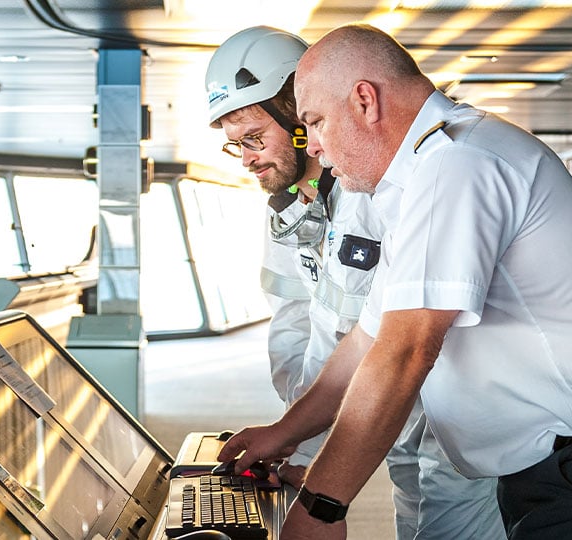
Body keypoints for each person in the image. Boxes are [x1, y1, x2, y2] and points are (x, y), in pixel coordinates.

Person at [219, 23, 572, 540]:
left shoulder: (460, 164)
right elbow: (369, 337)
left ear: (364, 100)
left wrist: (321, 508)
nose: (313, 145)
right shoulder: (422, 176)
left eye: (316, 122)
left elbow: (405, 351)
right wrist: (284, 433)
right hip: (558, 463)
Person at [206, 26, 503, 539]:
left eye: (255, 138)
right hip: (389, 409)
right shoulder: (289, 212)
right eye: (238, 146)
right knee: (415, 514)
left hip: (454, 406)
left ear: (298, 118)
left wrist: (312, 466)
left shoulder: (380, 191)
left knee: (449, 522)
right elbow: (297, 327)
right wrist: (293, 439)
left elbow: (386, 342)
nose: (249, 157)